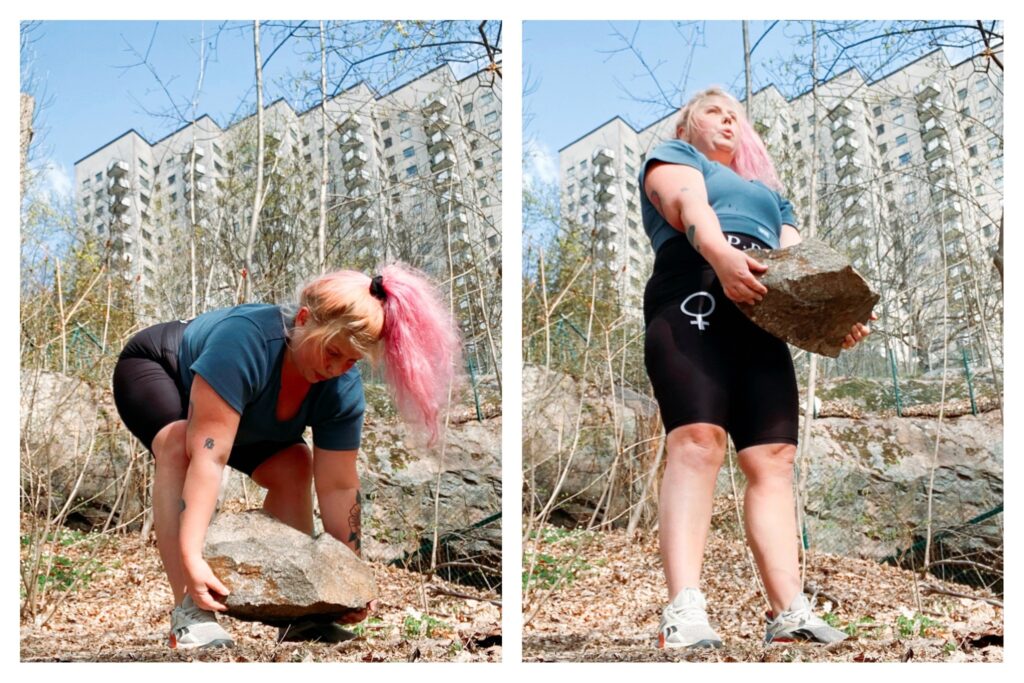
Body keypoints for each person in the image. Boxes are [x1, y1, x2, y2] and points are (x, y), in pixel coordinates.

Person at [112, 264, 460, 649]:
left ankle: (302, 619)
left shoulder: (341, 385)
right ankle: (189, 611)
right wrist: (193, 556)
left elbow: (339, 485)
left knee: (294, 464)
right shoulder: (243, 343)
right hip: (162, 370)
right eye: (332, 352)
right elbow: (209, 458)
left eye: (351, 361)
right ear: (304, 319)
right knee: (179, 444)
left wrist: (348, 577)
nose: (336, 368)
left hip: (237, 412)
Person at [638, 87, 873, 649]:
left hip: (763, 312)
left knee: (774, 457)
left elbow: (801, 264)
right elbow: (688, 208)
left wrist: (835, 314)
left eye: (736, 116)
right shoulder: (675, 157)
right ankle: (685, 610)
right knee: (698, 442)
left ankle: (789, 612)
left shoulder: (771, 195)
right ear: (688, 123)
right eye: (714, 112)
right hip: (693, 289)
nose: (728, 121)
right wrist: (720, 257)